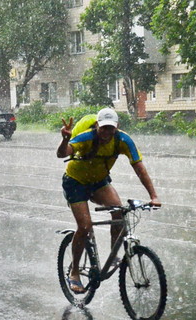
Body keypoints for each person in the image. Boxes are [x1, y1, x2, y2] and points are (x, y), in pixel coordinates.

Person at [56, 107, 161, 294]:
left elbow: (139, 168)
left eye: (110, 128)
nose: (106, 133)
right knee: (85, 226)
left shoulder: (123, 140)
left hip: (99, 182)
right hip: (76, 182)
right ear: (97, 125)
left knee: (119, 212)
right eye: (103, 128)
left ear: (116, 127)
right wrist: (65, 139)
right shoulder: (86, 137)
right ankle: (74, 272)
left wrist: (153, 196)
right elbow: (62, 154)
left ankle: (113, 255)